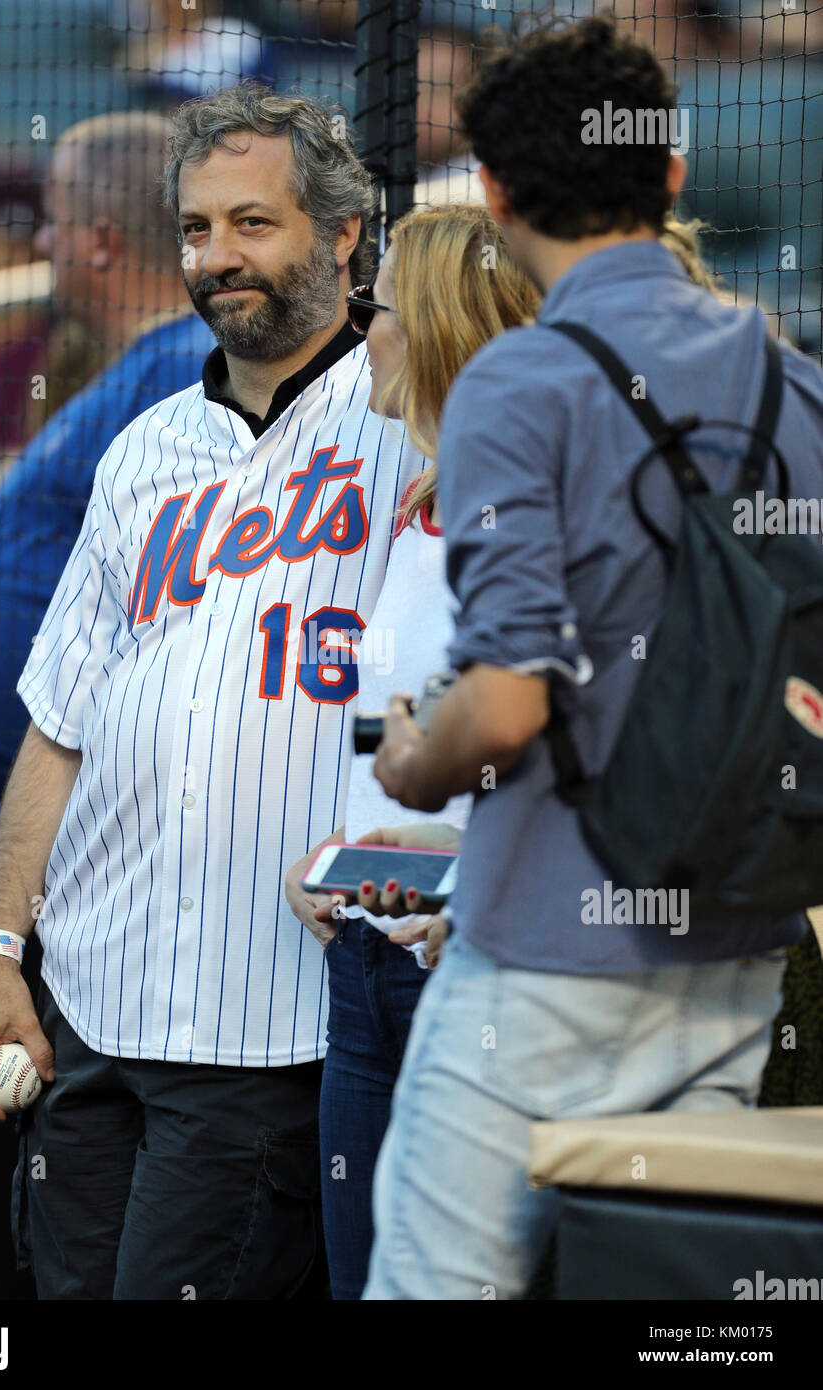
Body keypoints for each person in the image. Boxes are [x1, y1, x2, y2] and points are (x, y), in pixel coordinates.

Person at [356, 15, 823, 1300]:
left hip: (543, 960)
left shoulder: (520, 382)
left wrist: (410, 759)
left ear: (494, 195)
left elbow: (503, 706)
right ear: (670, 175)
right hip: (737, 945)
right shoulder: (799, 386)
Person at [0, 83, 425, 1300]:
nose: (220, 259)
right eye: (198, 229)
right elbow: (59, 726)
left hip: (270, 1031)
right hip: (94, 1013)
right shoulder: (142, 447)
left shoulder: (415, 421)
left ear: (344, 234)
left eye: (254, 224)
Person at [285, 202, 539, 1300]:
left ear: (432, 326)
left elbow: (552, 746)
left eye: (376, 308)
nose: (360, 325)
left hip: (471, 974)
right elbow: (402, 727)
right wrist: (344, 852)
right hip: (369, 957)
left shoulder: (531, 515)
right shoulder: (419, 501)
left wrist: (472, 888)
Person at [0, 113, 215, 862]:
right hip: (23, 840)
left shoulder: (184, 357)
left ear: (102, 241)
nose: (42, 246)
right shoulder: (150, 361)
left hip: (78, 849)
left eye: (57, 225)